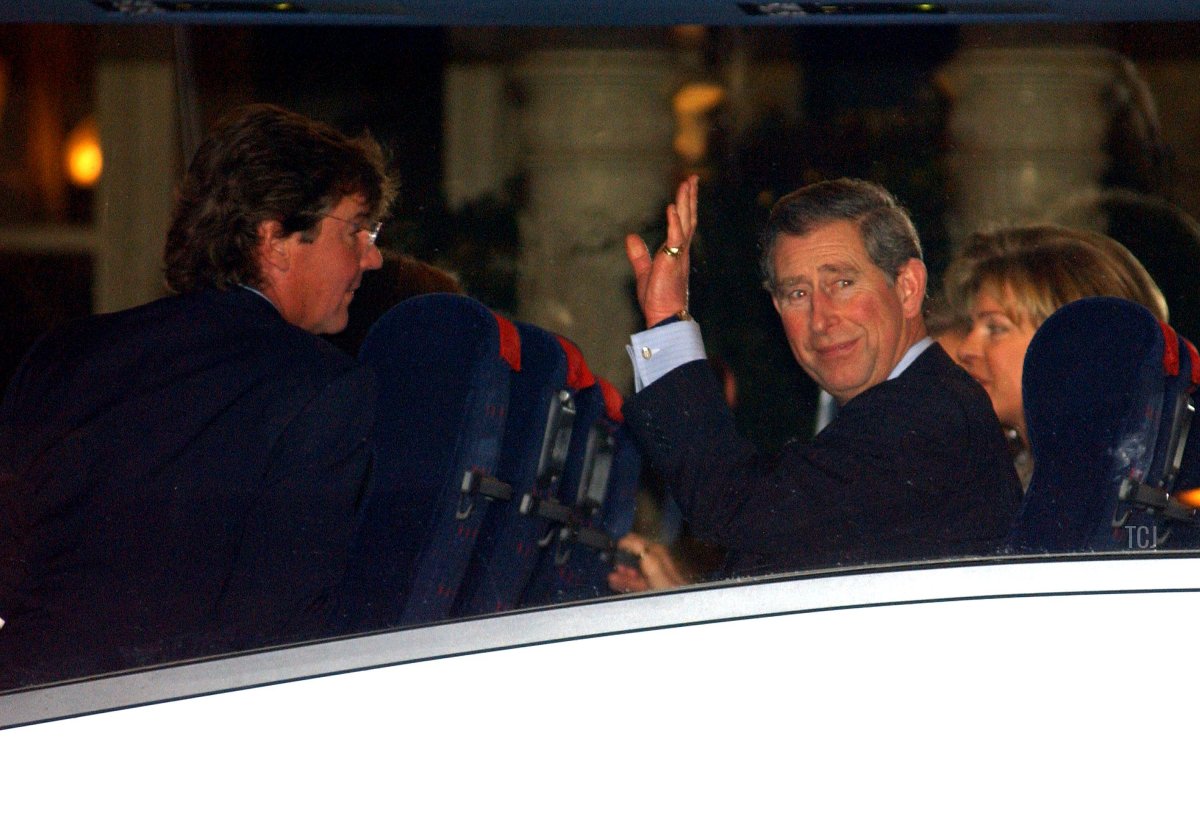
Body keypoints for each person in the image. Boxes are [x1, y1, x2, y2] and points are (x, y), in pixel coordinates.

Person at [0, 104, 396, 689]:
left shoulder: (61, 356)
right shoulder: (320, 388)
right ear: (275, 240)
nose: (373, 256)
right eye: (356, 230)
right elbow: (284, 642)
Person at [611, 177, 1021, 591]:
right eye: (797, 294)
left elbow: (738, 509)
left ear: (908, 288)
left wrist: (666, 321)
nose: (821, 319)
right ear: (776, 308)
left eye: (842, 283)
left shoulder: (926, 416)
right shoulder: (912, 409)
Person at [943, 223, 1169, 489]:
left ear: (1074, 342)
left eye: (996, 328)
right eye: (971, 326)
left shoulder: (1114, 492)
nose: (965, 349)